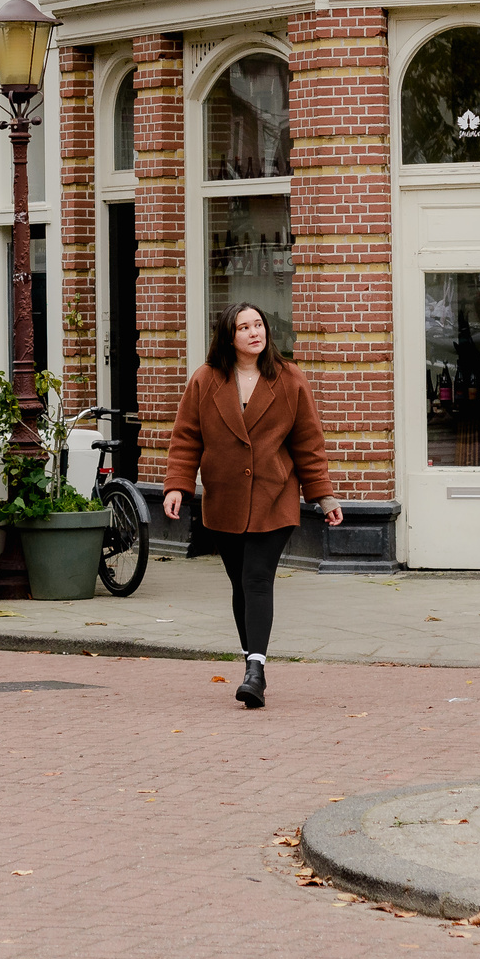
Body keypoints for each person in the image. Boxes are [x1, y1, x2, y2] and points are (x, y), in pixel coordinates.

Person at [163, 302, 342, 708]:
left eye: (259, 324)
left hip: (274, 497)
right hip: (223, 500)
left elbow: (308, 443)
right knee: (240, 584)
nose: (254, 332)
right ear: (230, 336)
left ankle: (255, 672)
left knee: (257, 578)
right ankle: (252, 662)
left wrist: (322, 494)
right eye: (244, 327)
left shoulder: (289, 378)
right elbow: (186, 437)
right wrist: (177, 485)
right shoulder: (206, 380)